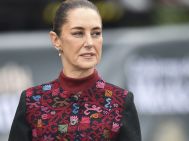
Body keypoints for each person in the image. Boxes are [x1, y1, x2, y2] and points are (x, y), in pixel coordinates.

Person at [8, 0, 141, 140]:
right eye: (78, 33)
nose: (89, 43)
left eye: (96, 33)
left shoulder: (120, 101)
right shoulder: (32, 101)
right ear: (56, 40)